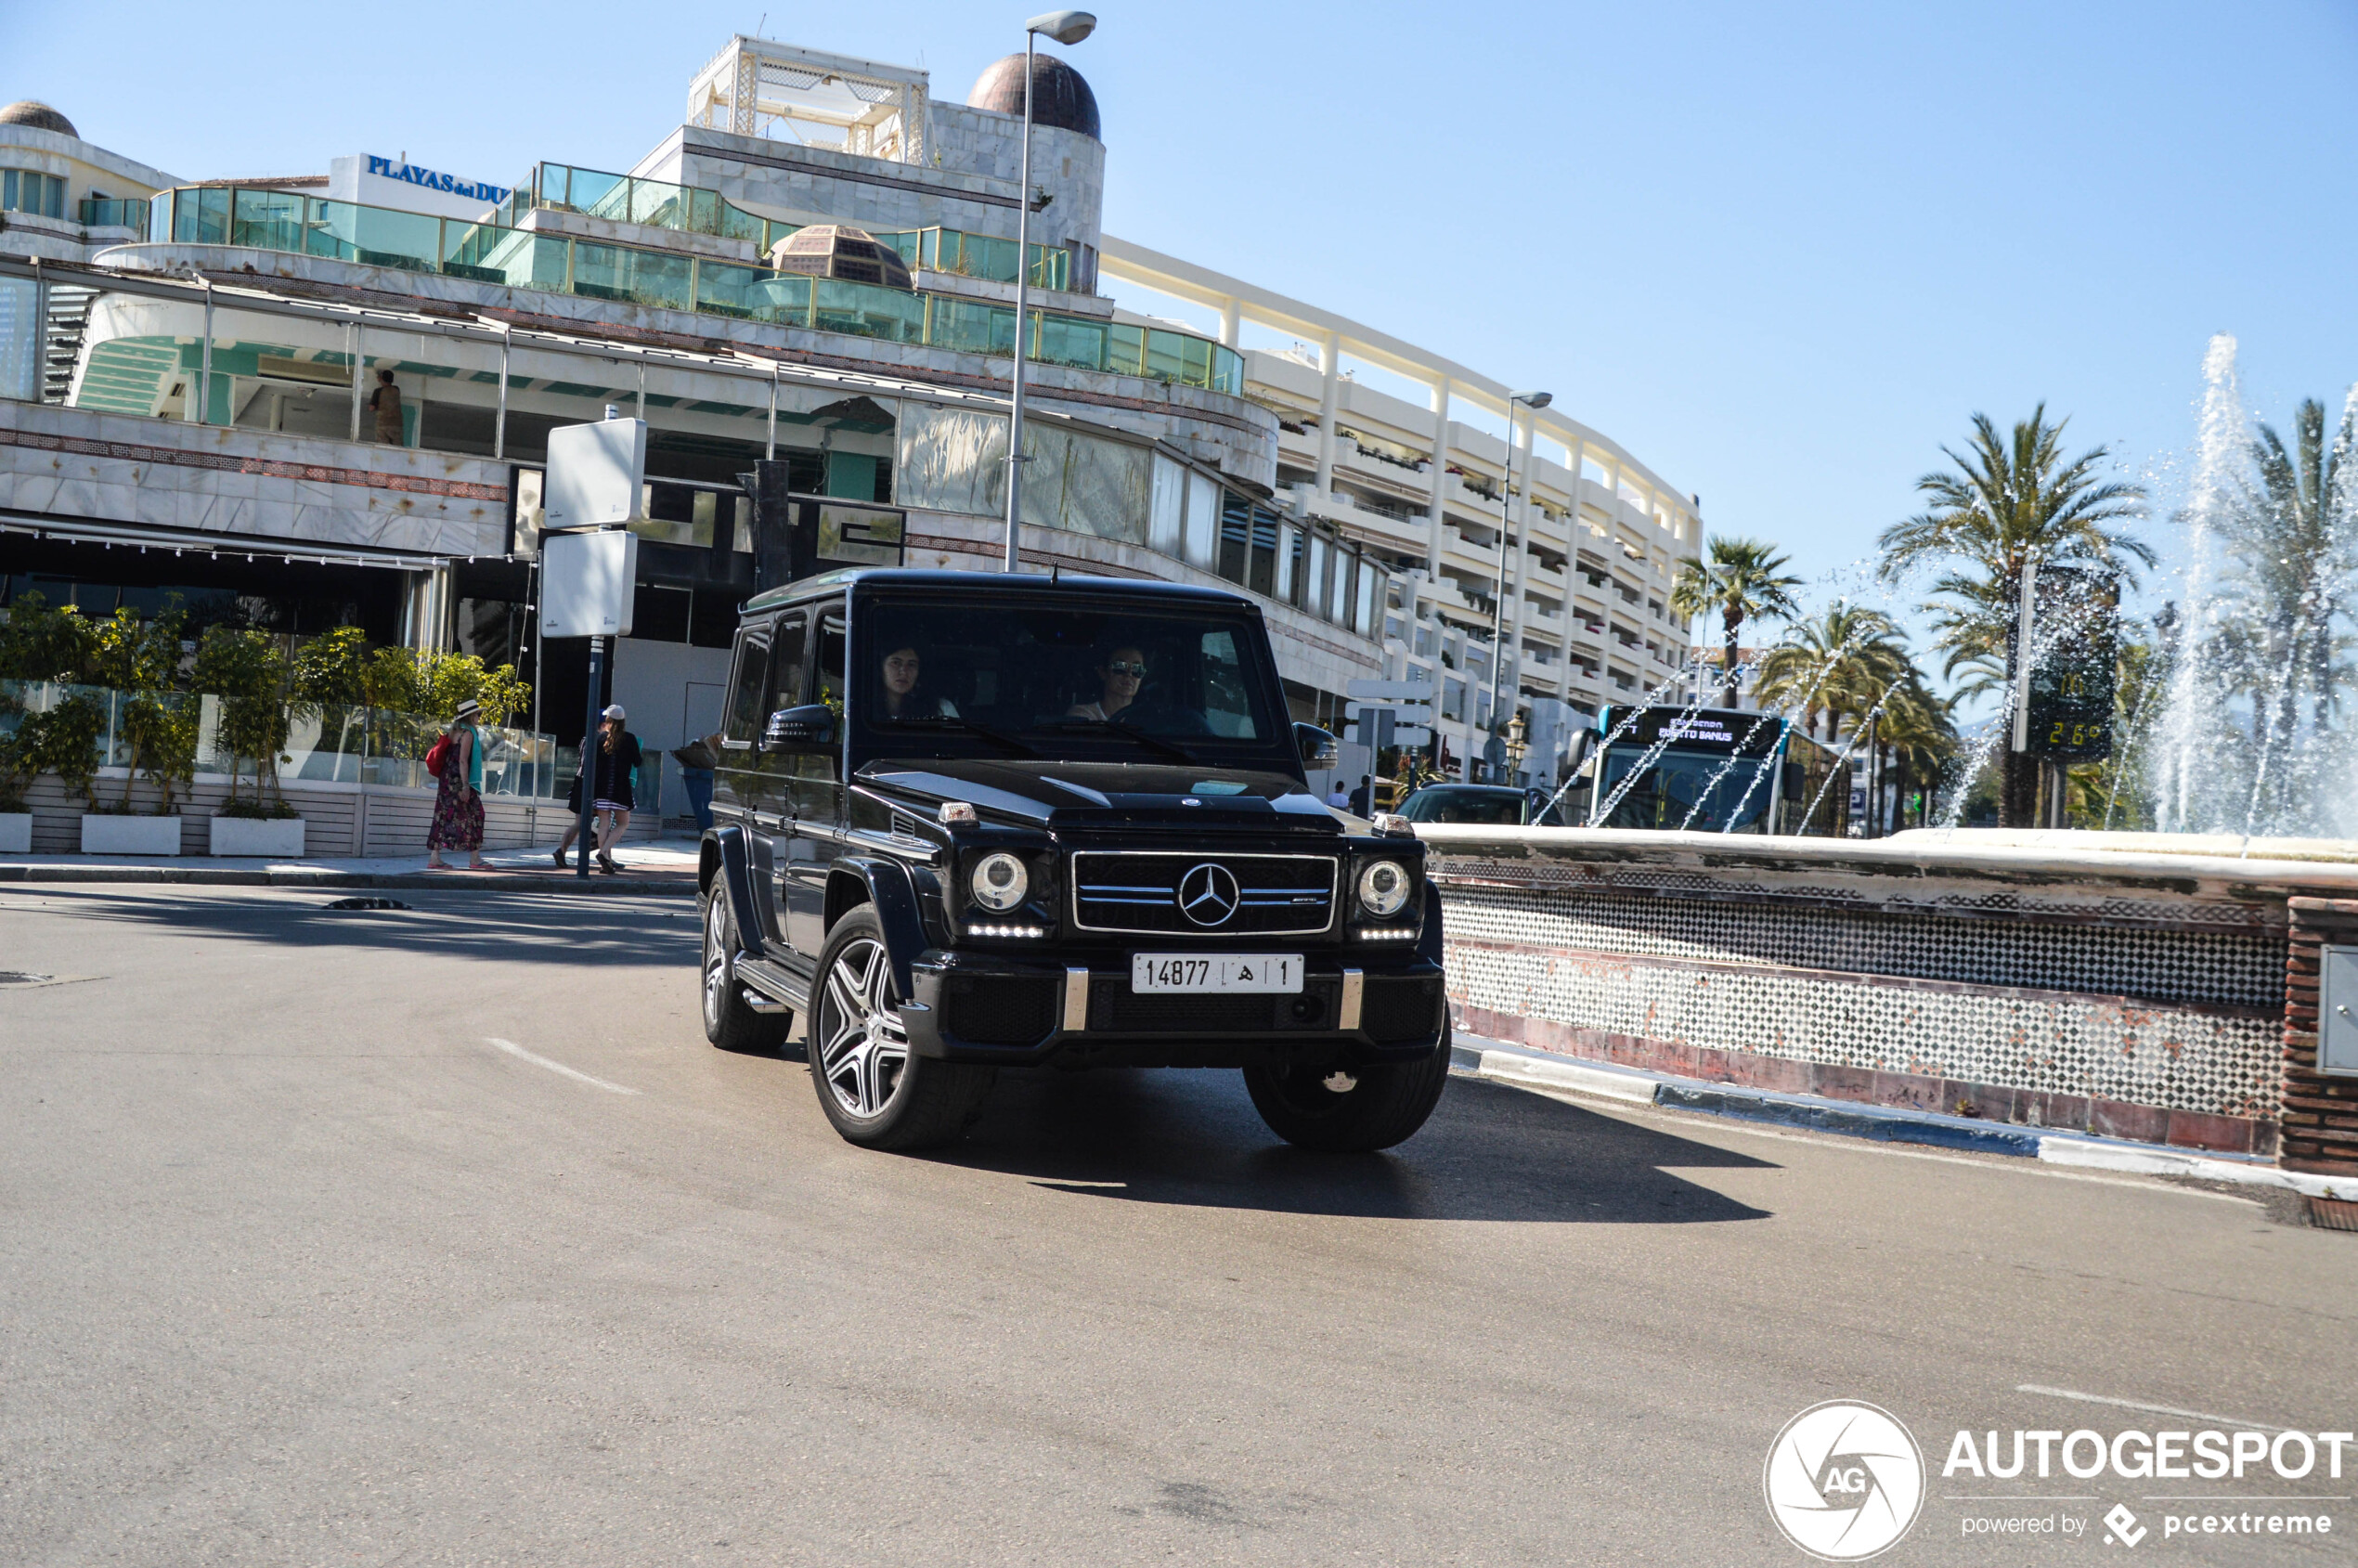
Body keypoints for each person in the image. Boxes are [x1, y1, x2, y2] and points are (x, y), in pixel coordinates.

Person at [554, 706, 641, 873]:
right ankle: (603, 853)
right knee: (623, 823)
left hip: (600, 788)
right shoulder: (629, 738)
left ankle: (606, 860)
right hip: (621, 788)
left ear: (607, 721)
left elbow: (591, 765)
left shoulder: (598, 739)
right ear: (623, 721)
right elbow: (637, 762)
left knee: (604, 823)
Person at [425, 698, 489, 870]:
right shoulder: (468, 733)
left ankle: (435, 857)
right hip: (459, 779)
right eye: (478, 713)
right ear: (470, 716)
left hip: (446, 779)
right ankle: (475, 858)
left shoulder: (453, 732)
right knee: (477, 814)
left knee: (442, 815)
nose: (479, 716)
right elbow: (462, 760)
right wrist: (466, 786)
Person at [1066, 645, 1147, 722]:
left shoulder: (1148, 720)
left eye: (1137, 669)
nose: (1129, 674)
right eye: (1120, 667)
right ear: (1103, 672)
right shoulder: (1081, 716)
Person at [878, 644, 957, 719]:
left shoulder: (943, 709)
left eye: (911, 664)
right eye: (896, 663)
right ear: (881, 667)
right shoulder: (868, 709)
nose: (904, 671)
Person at [368, 369, 402, 445]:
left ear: (381, 379)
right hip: (396, 425)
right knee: (397, 448)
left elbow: (371, 408)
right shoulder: (397, 389)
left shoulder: (378, 391)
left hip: (383, 425)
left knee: (383, 448)